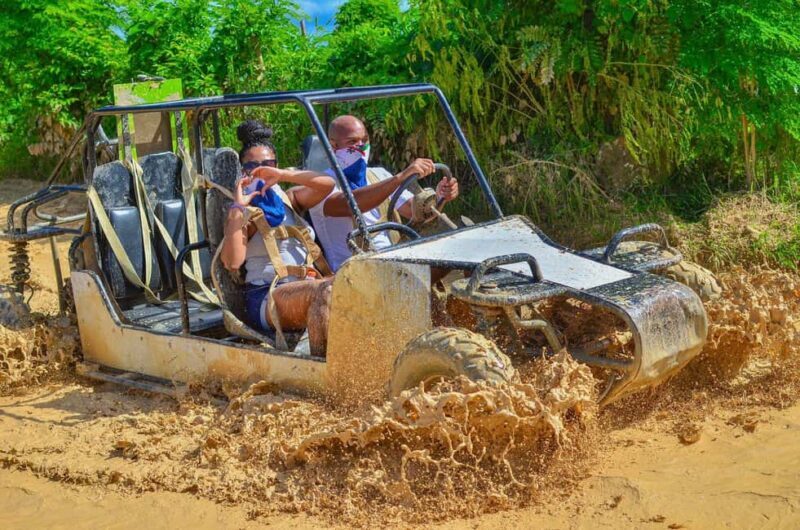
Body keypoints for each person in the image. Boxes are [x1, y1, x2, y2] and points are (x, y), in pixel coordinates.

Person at [221, 120, 334, 355]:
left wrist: (283, 175)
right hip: (268, 296)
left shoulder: (288, 199)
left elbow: (327, 185)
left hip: (309, 284)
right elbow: (232, 262)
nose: (260, 171)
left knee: (358, 281)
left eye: (267, 165)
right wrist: (237, 208)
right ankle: (320, 370)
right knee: (325, 292)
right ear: (243, 171)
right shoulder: (243, 213)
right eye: (252, 166)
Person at [309, 115, 459, 271]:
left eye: (364, 140)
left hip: (391, 260)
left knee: (457, 253)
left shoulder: (378, 175)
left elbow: (415, 212)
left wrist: (440, 196)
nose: (361, 147)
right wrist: (401, 177)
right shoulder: (321, 185)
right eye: (352, 142)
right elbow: (351, 205)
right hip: (352, 272)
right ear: (333, 146)